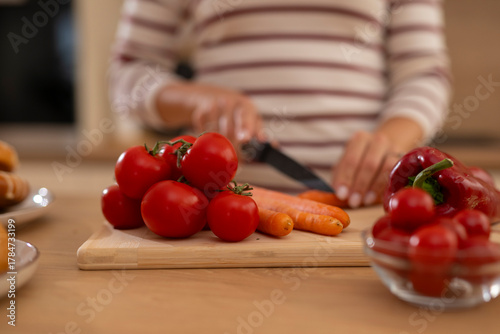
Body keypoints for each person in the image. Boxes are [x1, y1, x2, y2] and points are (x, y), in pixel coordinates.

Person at [108, 0, 450, 208]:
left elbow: (424, 73)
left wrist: (389, 144)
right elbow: (129, 72)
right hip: (219, 215)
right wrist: (197, 99)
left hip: (364, 209)